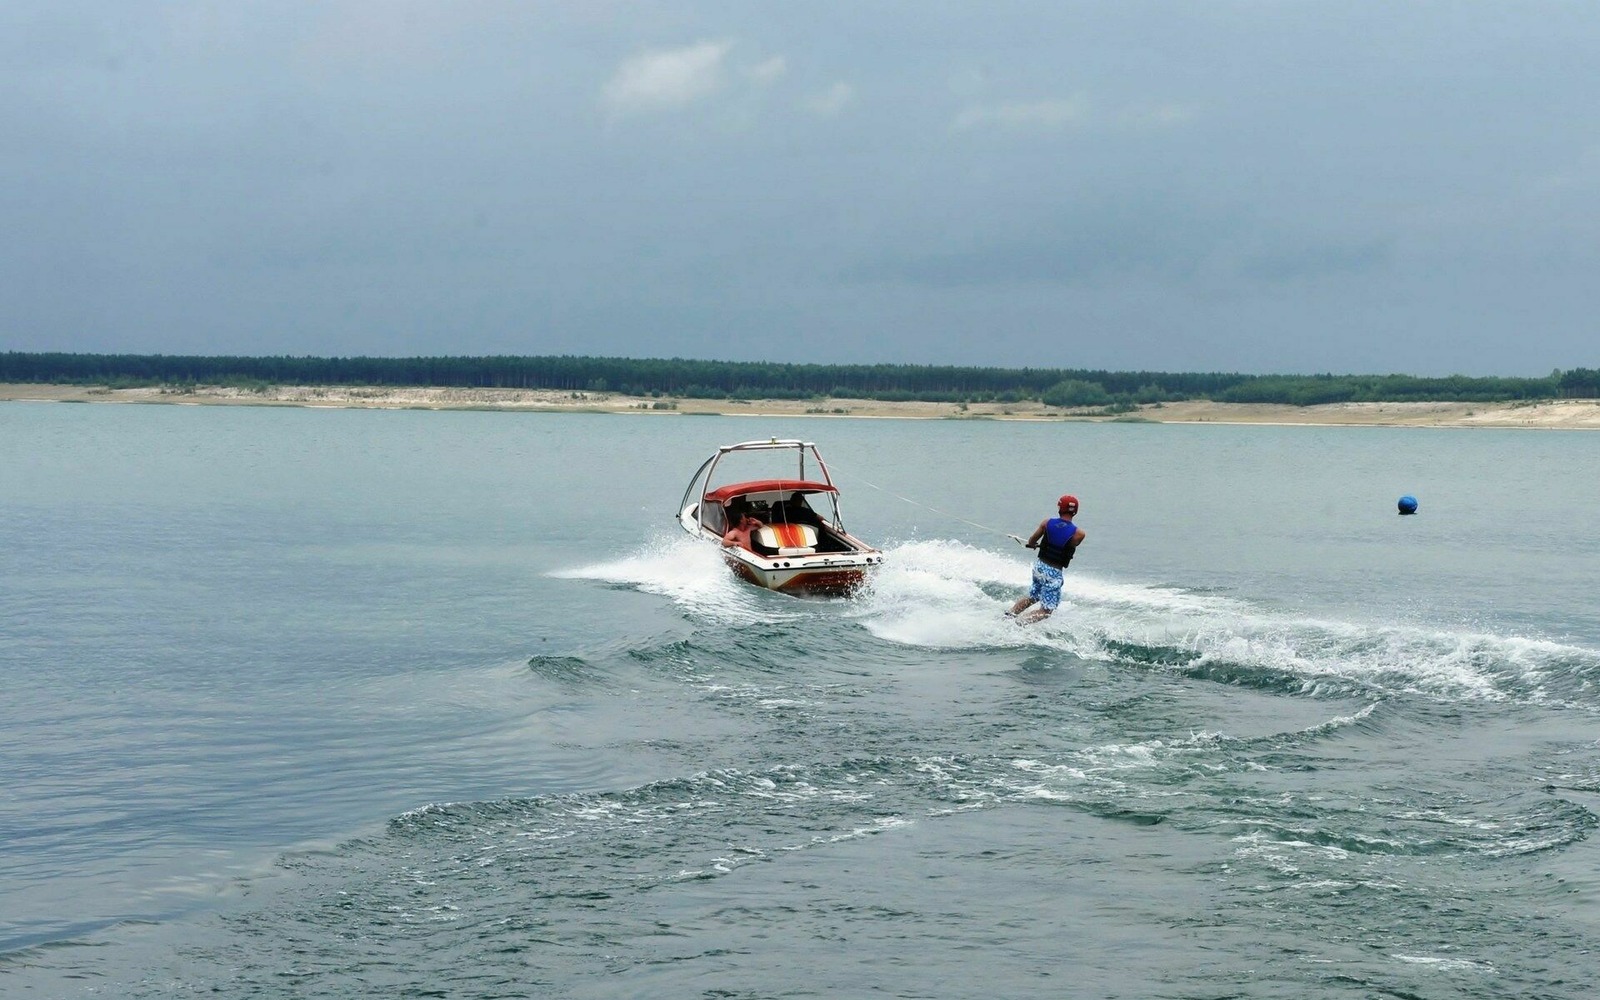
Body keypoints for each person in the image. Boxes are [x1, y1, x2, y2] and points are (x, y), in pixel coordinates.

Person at [1008, 494, 1086, 624]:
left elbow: (1031, 541)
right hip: (1053, 573)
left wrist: (1033, 544)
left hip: (1039, 567)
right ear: (1075, 511)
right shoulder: (1079, 534)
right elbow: (1069, 544)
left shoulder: (1046, 523)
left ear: (1060, 508)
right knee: (1046, 611)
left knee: (1033, 597)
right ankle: (1019, 623)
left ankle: (1009, 615)